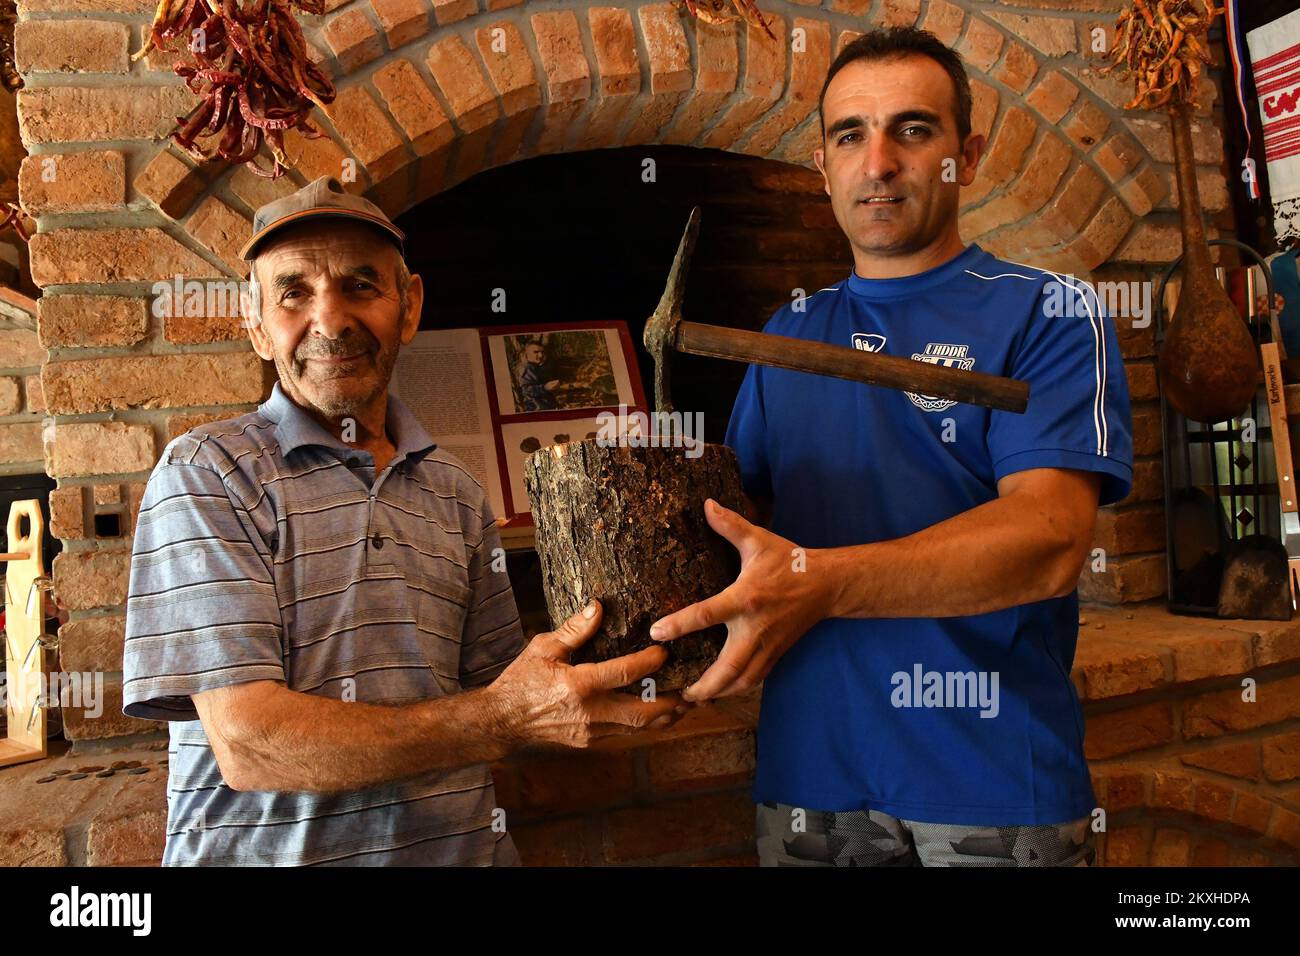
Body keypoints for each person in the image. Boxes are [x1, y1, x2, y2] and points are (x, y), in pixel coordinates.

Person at [650, 27, 1134, 867]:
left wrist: (822, 584)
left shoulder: (1046, 312)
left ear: (968, 156)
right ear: (823, 163)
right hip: (810, 785)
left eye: (913, 130)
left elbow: (1050, 542)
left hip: (993, 784)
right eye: (850, 134)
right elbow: (741, 535)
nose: (878, 162)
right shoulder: (782, 337)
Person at [121, 177, 682, 866]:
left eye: (361, 286)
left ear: (408, 307)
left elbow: (508, 692)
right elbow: (250, 744)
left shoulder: (455, 490)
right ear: (256, 324)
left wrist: (671, 649)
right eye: (293, 292)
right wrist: (502, 719)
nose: (329, 322)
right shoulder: (208, 473)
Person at [517, 338, 560, 410]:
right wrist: (545, 387)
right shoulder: (527, 368)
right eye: (536, 352)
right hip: (536, 408)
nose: (540, 355)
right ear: (527, 353)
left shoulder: (536, 366)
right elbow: (526, 390)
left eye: (542, 352)